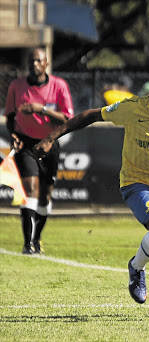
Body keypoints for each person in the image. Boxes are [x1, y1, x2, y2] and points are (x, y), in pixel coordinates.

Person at [34, 60, 149, 320]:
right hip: (136, 182)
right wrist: (51, 137)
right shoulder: (133, 108)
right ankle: (136, 267)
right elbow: (91, 115)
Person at [3, 47, 74, 254]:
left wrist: (40, 109)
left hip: (49, 143)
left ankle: (36, 238)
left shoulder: (59, 86)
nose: (35, 64)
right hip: (26, 144)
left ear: (46, 64)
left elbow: (67, 119)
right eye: (32, 61)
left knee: (45, 196)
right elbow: (9, 117)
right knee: (30, 190)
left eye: (39, 61)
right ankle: (27, 244)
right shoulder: (17, 86)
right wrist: (12, 134)